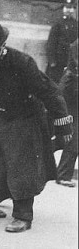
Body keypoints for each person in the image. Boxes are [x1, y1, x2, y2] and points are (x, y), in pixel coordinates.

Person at [0, 19, 73, 233]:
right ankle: (3, 191)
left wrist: (63, 124)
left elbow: (49, 91)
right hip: (3, 116)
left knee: (22, 166)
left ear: (3, 46)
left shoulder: (22, 62)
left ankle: (23, 215)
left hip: (27, 117)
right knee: (2, 158)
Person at [56, 39, 78, 187]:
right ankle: (63, 174)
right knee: (72, 138)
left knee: (69, 138)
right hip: (72, 93)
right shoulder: (77, 45)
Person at [46, 0, 78, 84]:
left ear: (74, 10)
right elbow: (51, 43)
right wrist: (52, 61)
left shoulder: (76, 24)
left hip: (69, 61)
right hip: (57, 61)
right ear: (63, 8)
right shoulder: (58, 23)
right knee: (54, 83)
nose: (69, 10)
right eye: (67, 7)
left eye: (71, 8)